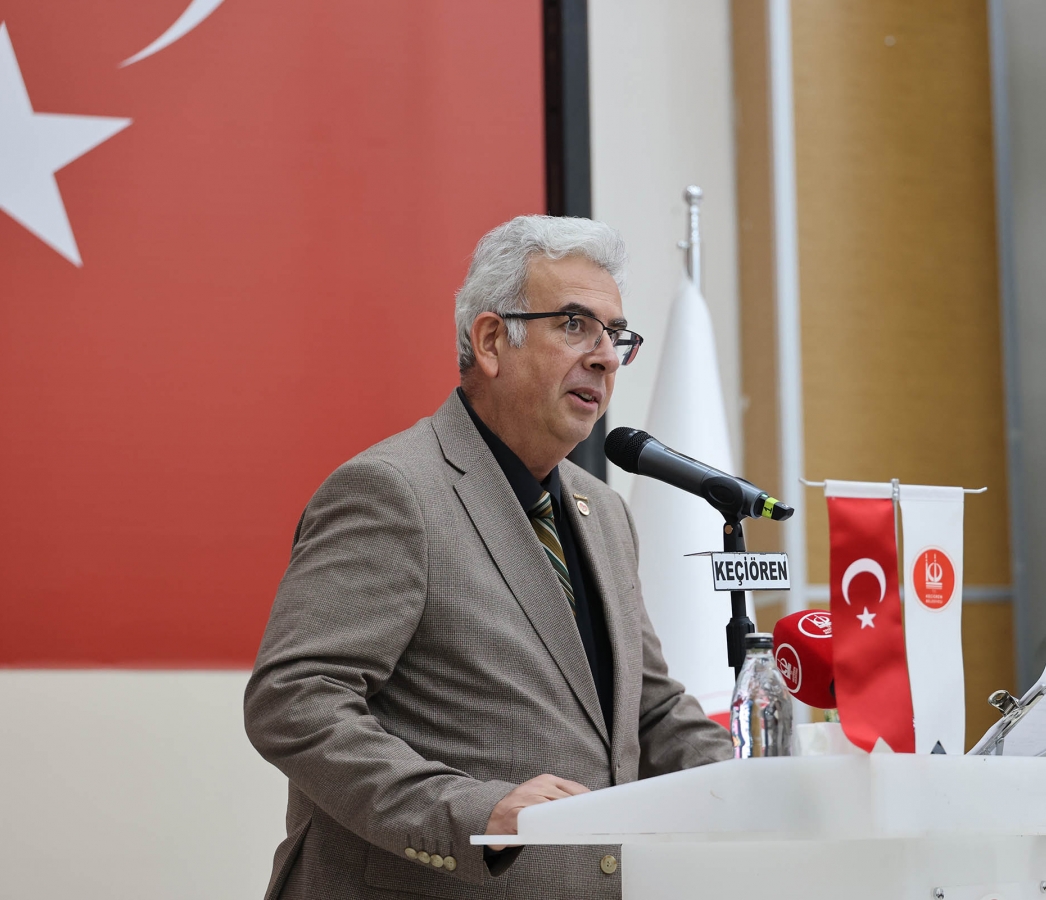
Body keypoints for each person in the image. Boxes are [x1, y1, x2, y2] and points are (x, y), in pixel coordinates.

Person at [245, 215, 734, 900]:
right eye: (575, 325)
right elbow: (294, 700)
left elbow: (646, 711)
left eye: (616, 335)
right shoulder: (395, 491)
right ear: (491, 341)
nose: (604, 357)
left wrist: (753, 780)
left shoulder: (603, 512)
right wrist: (472, 813)